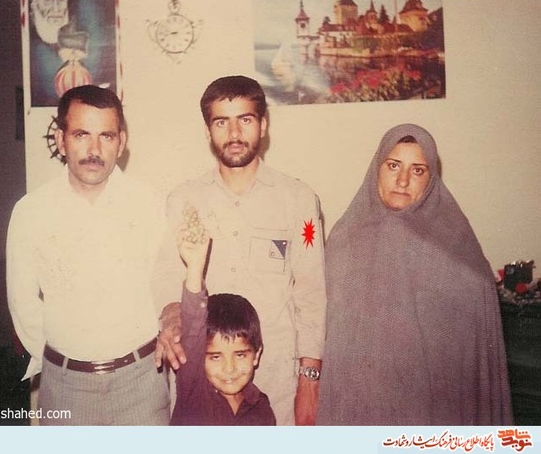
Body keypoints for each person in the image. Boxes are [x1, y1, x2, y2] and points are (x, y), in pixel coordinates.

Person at [156, 75, 327, 425]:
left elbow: (311, 295)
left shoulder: (299, 201)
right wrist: (171, 315)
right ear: (208, 131)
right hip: (203, 380)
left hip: (275, 380)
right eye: (222, 122)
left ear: (263, 125)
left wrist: (309, 381)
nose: (234, 134)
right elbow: (166, 278)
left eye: (245, 120)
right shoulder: (183, 200)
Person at [316, 123, 513, 425]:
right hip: (358, 407)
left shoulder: (455, 248)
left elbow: (475, 332)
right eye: (393, 165)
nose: (403, 180)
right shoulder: (345, 240)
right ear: (376, 169)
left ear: (431, 180)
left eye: (417, 170)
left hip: (429, 412)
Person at [6, 85, 169, 425]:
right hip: (65, 387)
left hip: (141, 384)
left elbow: (165, 283)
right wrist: (64, 359)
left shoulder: (150, 204)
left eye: (106, 136)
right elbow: (22, 303)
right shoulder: (31, 212)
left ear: (121, 143)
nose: (94, 150)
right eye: (81, 134)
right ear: (61, 139)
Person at [170, 215, 276, 425]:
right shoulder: (194, 391)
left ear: (256, 355)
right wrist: (195, 268)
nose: (229, 368)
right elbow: (192, 328)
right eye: (216, 357)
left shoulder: (262, 407)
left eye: (240, 355)